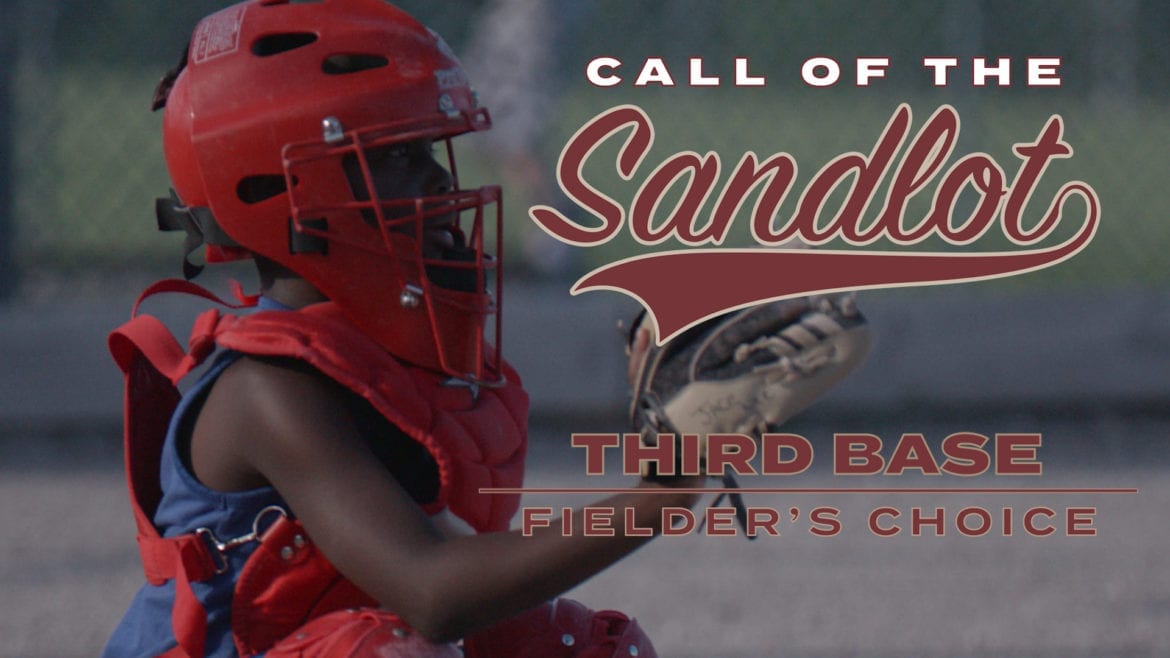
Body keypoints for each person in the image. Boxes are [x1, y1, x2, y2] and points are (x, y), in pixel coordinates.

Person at [102, 1, 703, 656]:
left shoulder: (374, 349)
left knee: (582, 647)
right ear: (287, 192)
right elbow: (433, 594)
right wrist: (660, 495)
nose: (441, 178)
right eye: (397, 156)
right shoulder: (269, 391)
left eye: (428, 150)